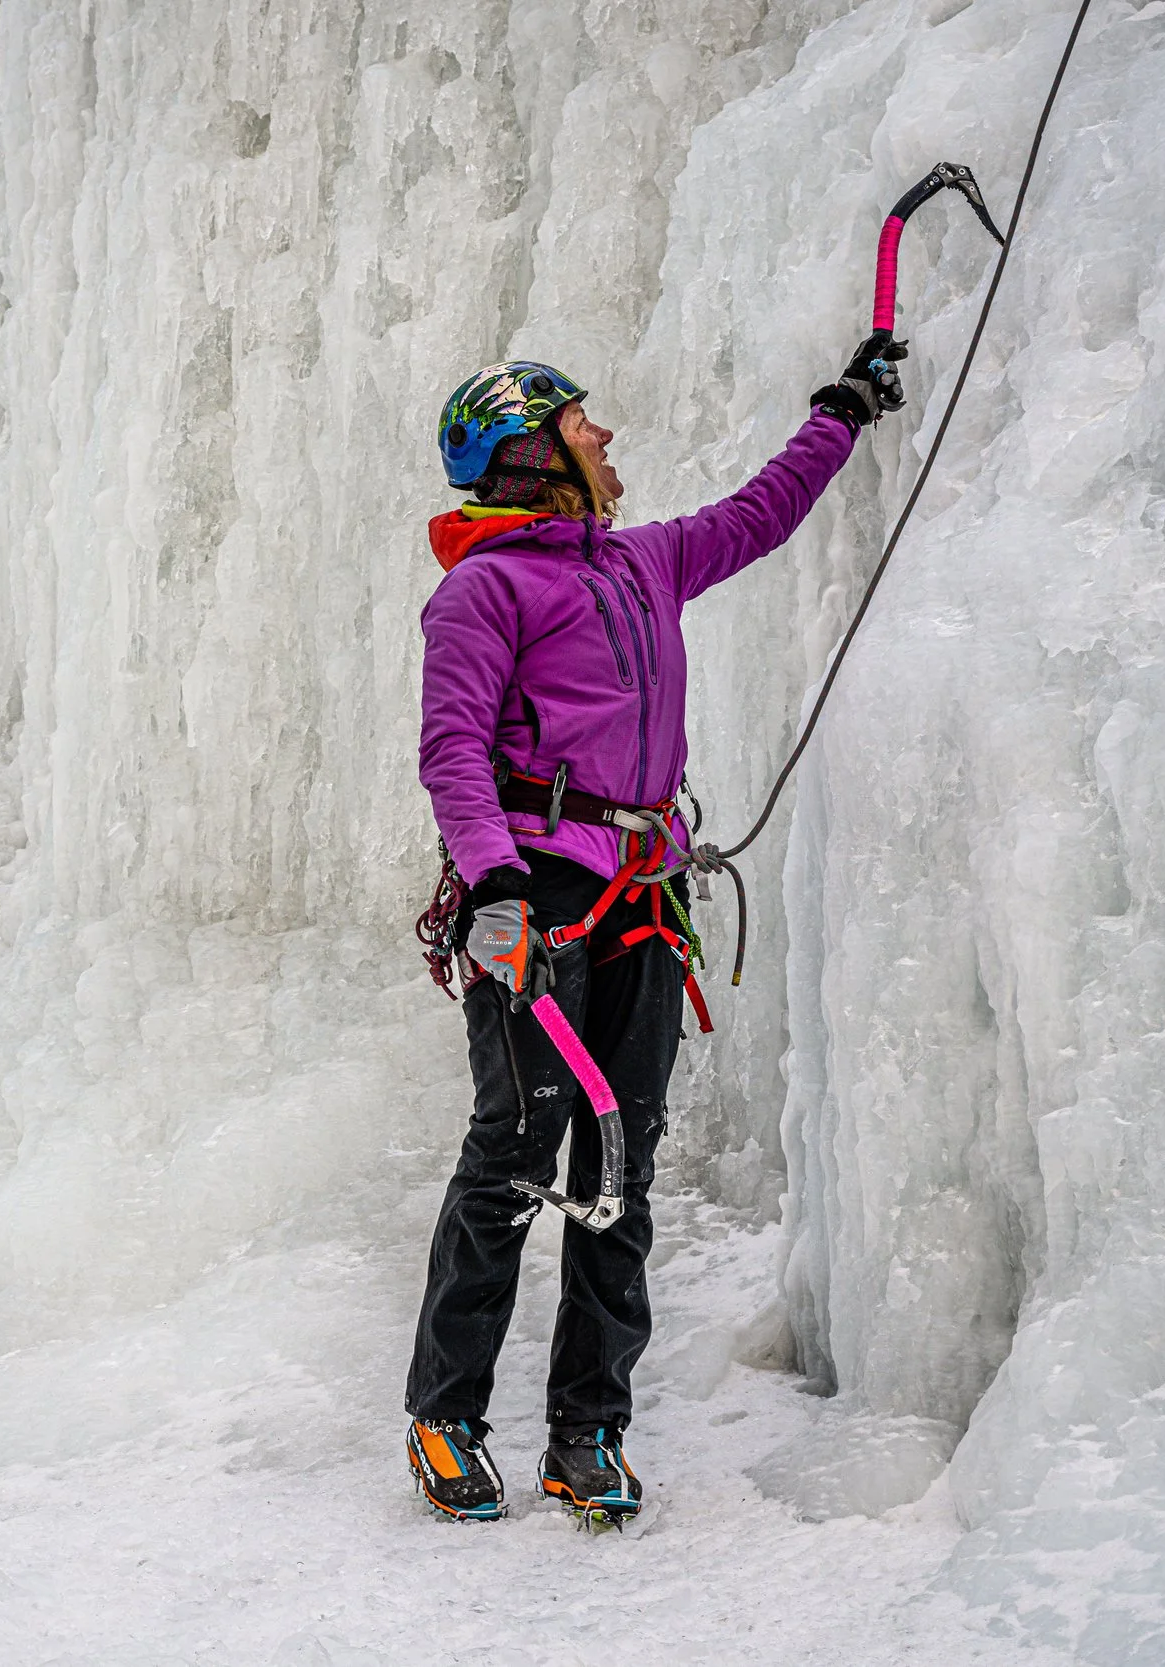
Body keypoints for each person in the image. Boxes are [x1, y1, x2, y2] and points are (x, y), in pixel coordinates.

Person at [403, 342, 903, 1523]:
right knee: (515, 1149)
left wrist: (839, 409)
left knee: (622, 1159)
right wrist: (492, 891)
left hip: (643, 890)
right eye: (583, 424)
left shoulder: (644, 560)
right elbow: (454, 752)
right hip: (540, 892)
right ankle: (446, 1412)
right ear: (531, 453)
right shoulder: (483, 590)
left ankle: (588, 1428)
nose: (606, 436)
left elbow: (761, 513)